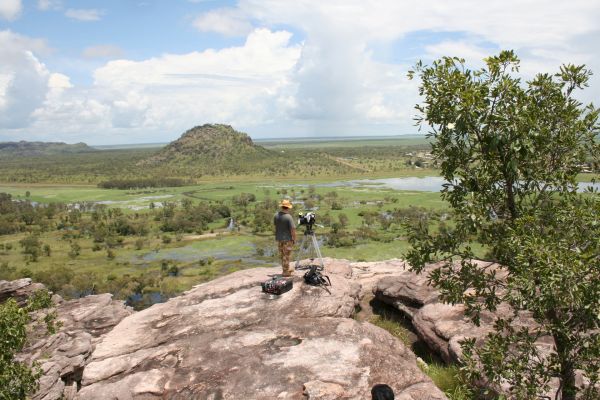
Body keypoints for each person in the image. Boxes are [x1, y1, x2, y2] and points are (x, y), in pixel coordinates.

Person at [274, 199, 296, 277]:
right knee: (286, 255)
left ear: (282, 207)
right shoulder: (288, 217)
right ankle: (285, 272)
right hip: (287, 239)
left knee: (283, 255)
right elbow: (292, 229)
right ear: (288, 207)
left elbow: (276, 226)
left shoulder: (276, 215)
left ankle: (286, 269)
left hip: (279, 239)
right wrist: (294, 238)